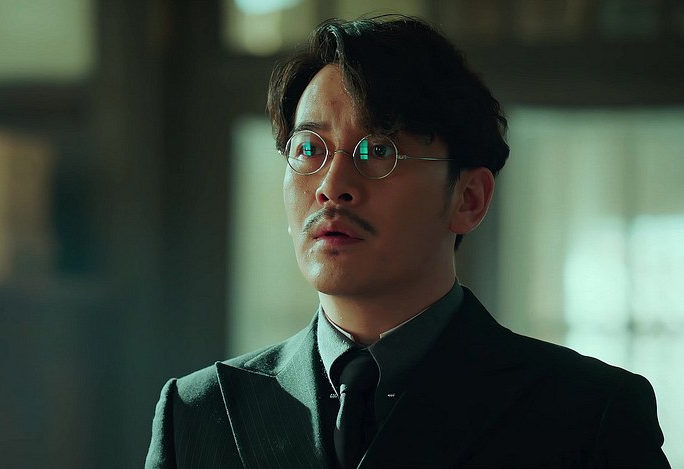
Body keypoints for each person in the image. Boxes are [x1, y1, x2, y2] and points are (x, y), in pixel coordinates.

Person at [146, 14, 670, 468]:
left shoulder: (588, 414)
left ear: (468, 198)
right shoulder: (199, 412)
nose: (332, 186)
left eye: (378, 151)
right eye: (309, 149)